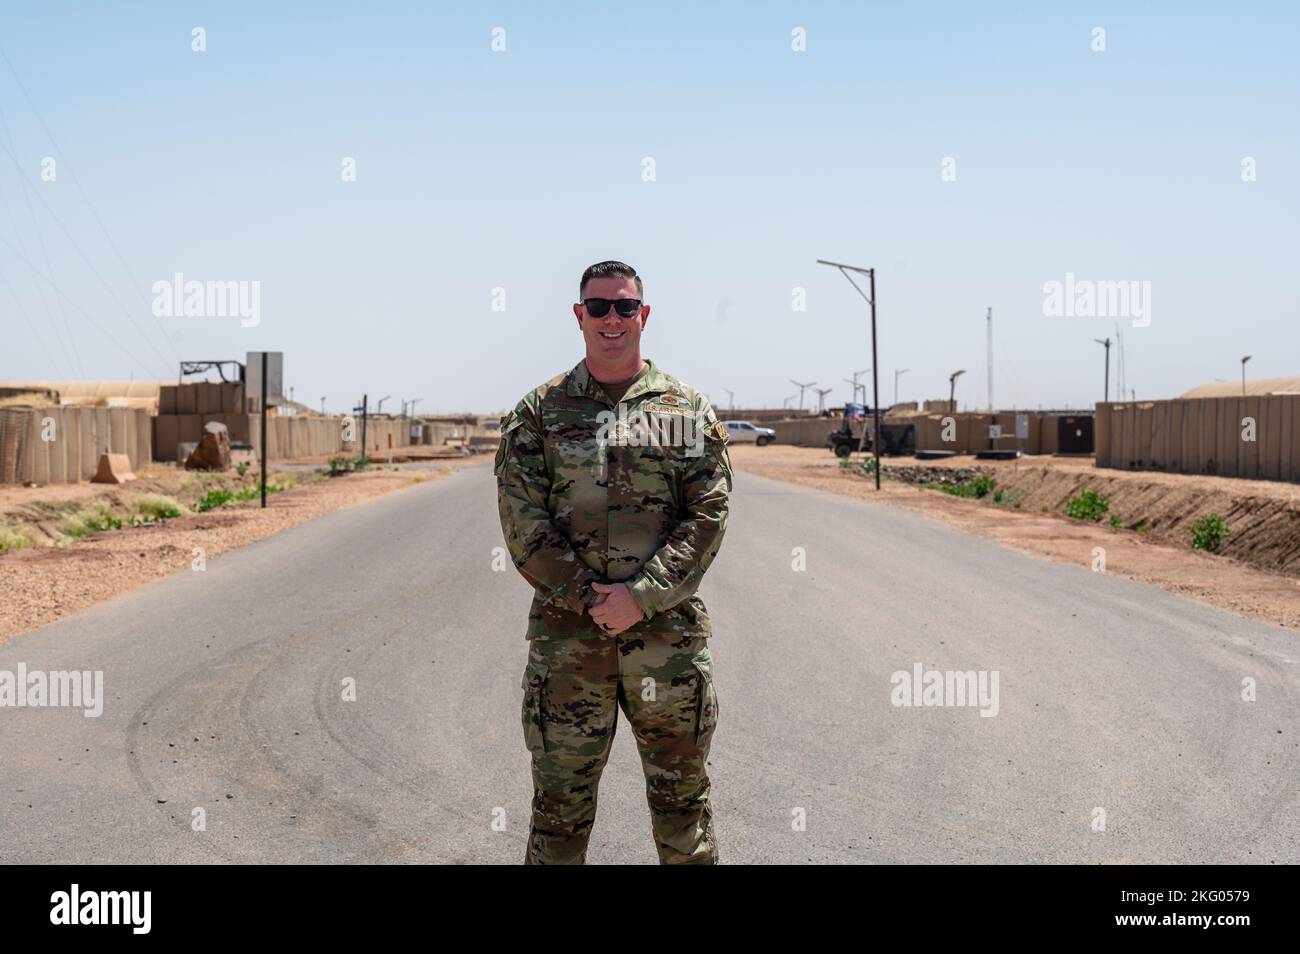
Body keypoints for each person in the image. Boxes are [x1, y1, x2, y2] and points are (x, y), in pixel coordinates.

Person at [495, 260, 732, 864]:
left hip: (668, 645)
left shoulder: (684, 412)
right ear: (579, 316)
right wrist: (589, 599)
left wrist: (641, 597)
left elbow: (707, 516)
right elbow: (523, 524)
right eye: (598, 307)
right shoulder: (539, 415)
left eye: (624, 307)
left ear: (643, 315)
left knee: (684, 814)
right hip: (569, 647)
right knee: (558, 817)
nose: (611, 319)